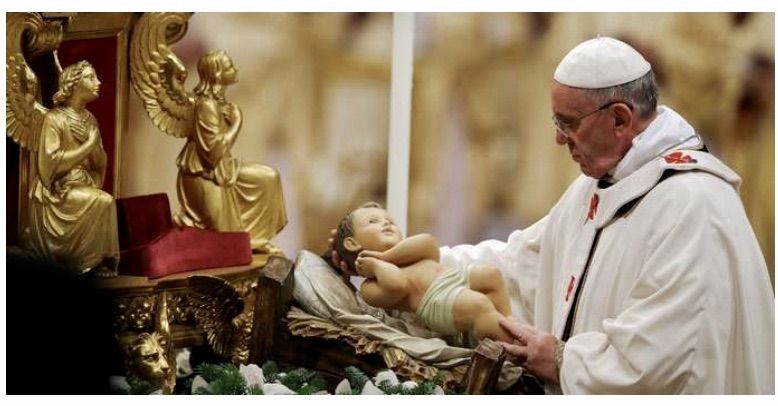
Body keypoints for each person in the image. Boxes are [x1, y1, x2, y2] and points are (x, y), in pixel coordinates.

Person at [333, 37, 774, 394]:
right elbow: (521, 265)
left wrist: (564, 361)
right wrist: (409, 266)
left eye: (568, 123)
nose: (559, 139)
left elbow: (673, 356)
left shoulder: (693, 205)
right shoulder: (600, 185)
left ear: (620, 119)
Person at [334, 202, 513, 341]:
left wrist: (385, 256)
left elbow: (429, 243)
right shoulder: (369, 287)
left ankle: (508, 321)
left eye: (390, 221)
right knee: (479, 305)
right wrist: (375, 264)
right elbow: (397, 285)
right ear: (352, 243)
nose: (386, 222)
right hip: (436, 300)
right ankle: (508, 343)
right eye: (373, 221)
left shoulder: (406, 255)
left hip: (452, 278)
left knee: (492, 275)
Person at [175, 50, 287, 254]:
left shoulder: (218, 102)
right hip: (203, 175)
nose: (234, 70)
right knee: (223, 237)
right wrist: (237, 123)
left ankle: (257, 239)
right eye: (229, 67)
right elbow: (212, 153)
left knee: (269, 178)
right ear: (217, 75)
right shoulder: (206, 106)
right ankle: (241, 242)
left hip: (222, 170)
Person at [25, 60, 119, 277]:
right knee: (104, 201)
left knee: (103, 200)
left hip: (82, 184)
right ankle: (92, 261)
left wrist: (91, 144)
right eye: (91, 77)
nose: (98, 82)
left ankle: (99, 261)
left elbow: (100, 164)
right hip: (57, 191)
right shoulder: (54, 118)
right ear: (74, 84)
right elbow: (49, 166)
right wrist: (87, 146)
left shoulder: (90, 120)